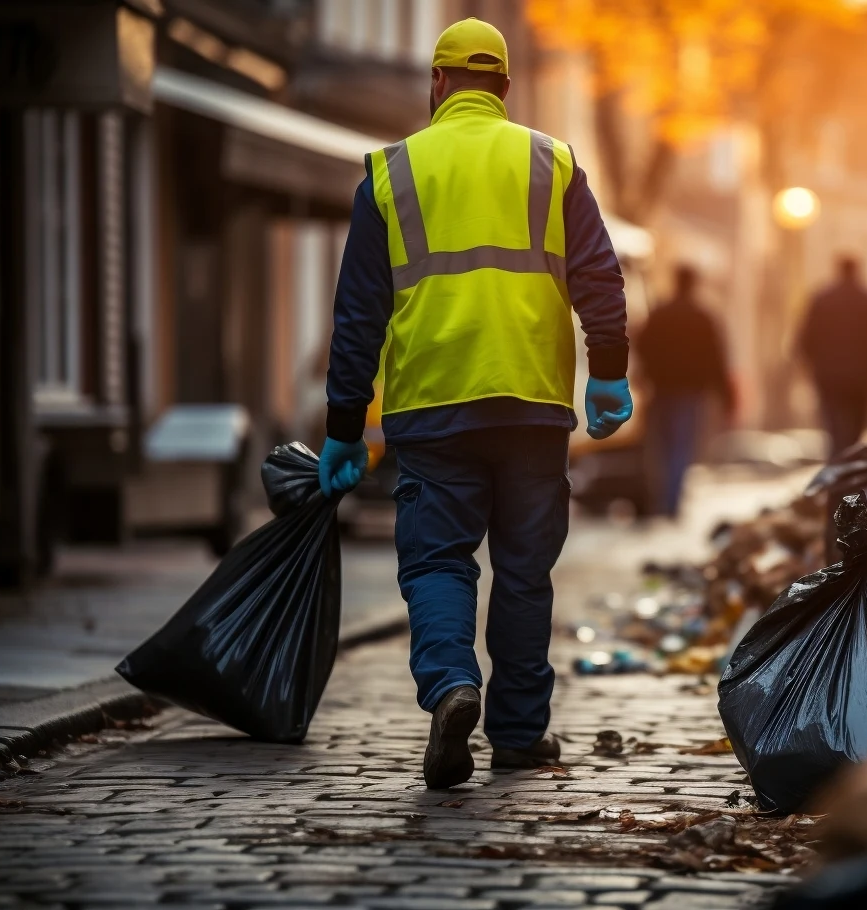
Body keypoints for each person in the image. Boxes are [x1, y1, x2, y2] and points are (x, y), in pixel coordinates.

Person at [317, 18, 632, 790]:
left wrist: (342, 427)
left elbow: (359, 315)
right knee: (525, 571)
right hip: (531, 404)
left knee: (435, 559)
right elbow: (600, 278)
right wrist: (609, 374)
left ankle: (453, 683)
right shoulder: (550, 162)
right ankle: (520, 733)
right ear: (504, 88)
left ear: (437, 84)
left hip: (431, 406)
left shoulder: (391, 173)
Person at [634, 265, 735, 516]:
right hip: (690, 392)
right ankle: (671, 501)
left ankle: (662, 498)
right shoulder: (702, 317)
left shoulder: (659, 314)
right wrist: (725, 395)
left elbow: (642, 345)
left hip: (661, 389)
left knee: (660, 447)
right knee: (681, 445)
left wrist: (644, 375)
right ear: (694, 284)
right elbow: (716, 358)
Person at [797, 256, 867, 456]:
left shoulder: (821, 300)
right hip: (861, 379)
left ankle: (838, 458)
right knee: (856, 426)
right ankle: (849, 457)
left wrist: (811, 366)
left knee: (834, 424)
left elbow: (804, 339)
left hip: (829, 376)